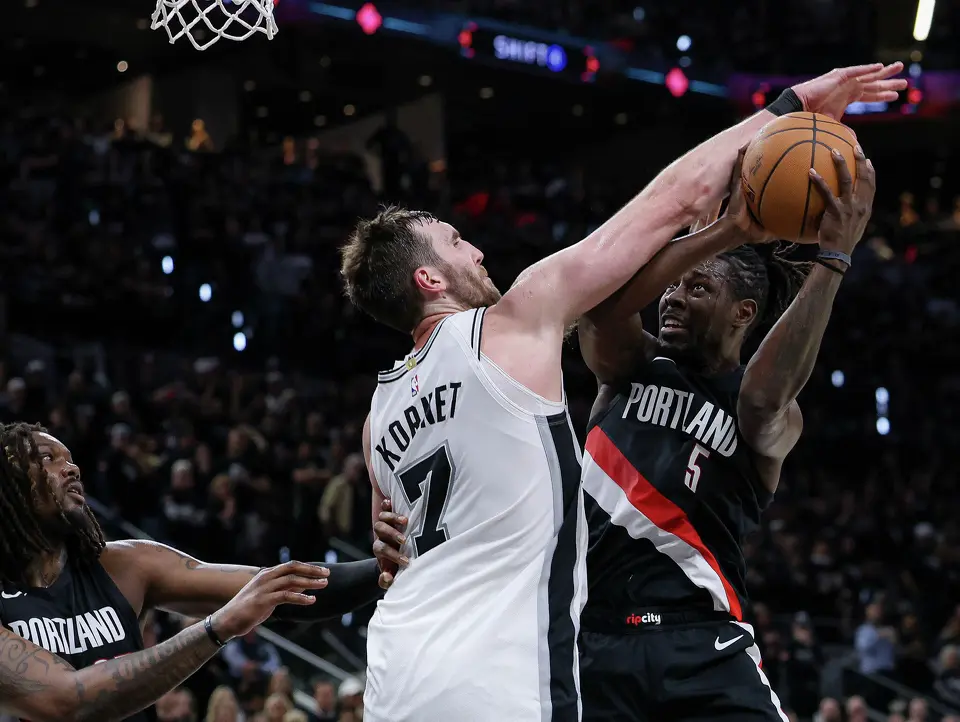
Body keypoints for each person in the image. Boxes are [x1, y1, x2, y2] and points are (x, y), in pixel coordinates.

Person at [347, 62, 903, 722]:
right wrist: (787, 109)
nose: (477, 251)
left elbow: (391, 545)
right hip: (552, 655)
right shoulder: (534, 332)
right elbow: (672, 202)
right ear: (427, 279)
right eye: (458, 242)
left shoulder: (381, 412)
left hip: (426, 663)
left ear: (743, 312)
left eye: (697, 287)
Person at [570, 132, 877, 719]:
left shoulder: (767, 410)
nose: (674, 298)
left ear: (743, 314)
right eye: (677, 286)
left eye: (699, 287)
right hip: (595, 636)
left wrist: (832, 259)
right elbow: (600, 306)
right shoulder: (632, 368)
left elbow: (762, 402)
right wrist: (722, 230)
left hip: (703, 643)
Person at [0, 422, 391, 722]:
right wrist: (214, 629)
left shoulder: (125, 564)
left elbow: (284, 589)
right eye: (47, 458)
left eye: (70, 459)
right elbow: (69, 702)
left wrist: (396, 562)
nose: (71, 469)